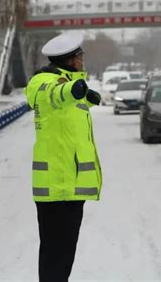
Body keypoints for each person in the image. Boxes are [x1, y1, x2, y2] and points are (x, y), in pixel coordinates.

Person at [24, 33, 103, 282]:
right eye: (80, 57)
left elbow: (64, 118)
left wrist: (85, 99)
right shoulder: (43, 81)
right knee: (53, 256)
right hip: (55, 187)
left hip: (71, 188)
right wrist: (71, 90)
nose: (83, 61)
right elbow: (48, 96)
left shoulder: (70, 86)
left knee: (64, 255)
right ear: (69, 60)